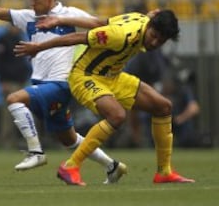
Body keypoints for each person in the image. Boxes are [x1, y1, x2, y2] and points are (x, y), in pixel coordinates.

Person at [0, 0, 127, 184]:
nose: (32, 3)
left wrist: (65, 20)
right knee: (69, 139)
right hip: (40, 83)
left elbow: (99, 25)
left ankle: (36, 153)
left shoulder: (70, 13)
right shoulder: (29, 17)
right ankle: (112, 166)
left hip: (61, 83)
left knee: (14, 99)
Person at [14, 10, 195, 185]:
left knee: (163, 107)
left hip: (113, 76)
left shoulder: (142, 21)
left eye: (160, 41)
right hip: (85, 76)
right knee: (117, 115)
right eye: (153, 35)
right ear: (149, 26)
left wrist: (61, 20)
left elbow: (100, 23)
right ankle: (70, 166)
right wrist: (39, 47)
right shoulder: (121, 35)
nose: (154, 42)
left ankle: (164, 172)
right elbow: (78, 37)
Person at [0, 25, 31, 148]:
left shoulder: (19, 38)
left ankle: (25, 140)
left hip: (21, 80)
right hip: (10, 81)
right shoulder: (3, 39)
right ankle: (7, 141)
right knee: (9, 113)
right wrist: (2, 80)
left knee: (24, 111)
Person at [161, 72, 200, 147]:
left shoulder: (183, 91)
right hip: (166, 122)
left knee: (185, 131)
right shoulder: (161, 92)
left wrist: (181, 118)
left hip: (181, 123)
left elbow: (194, 108)